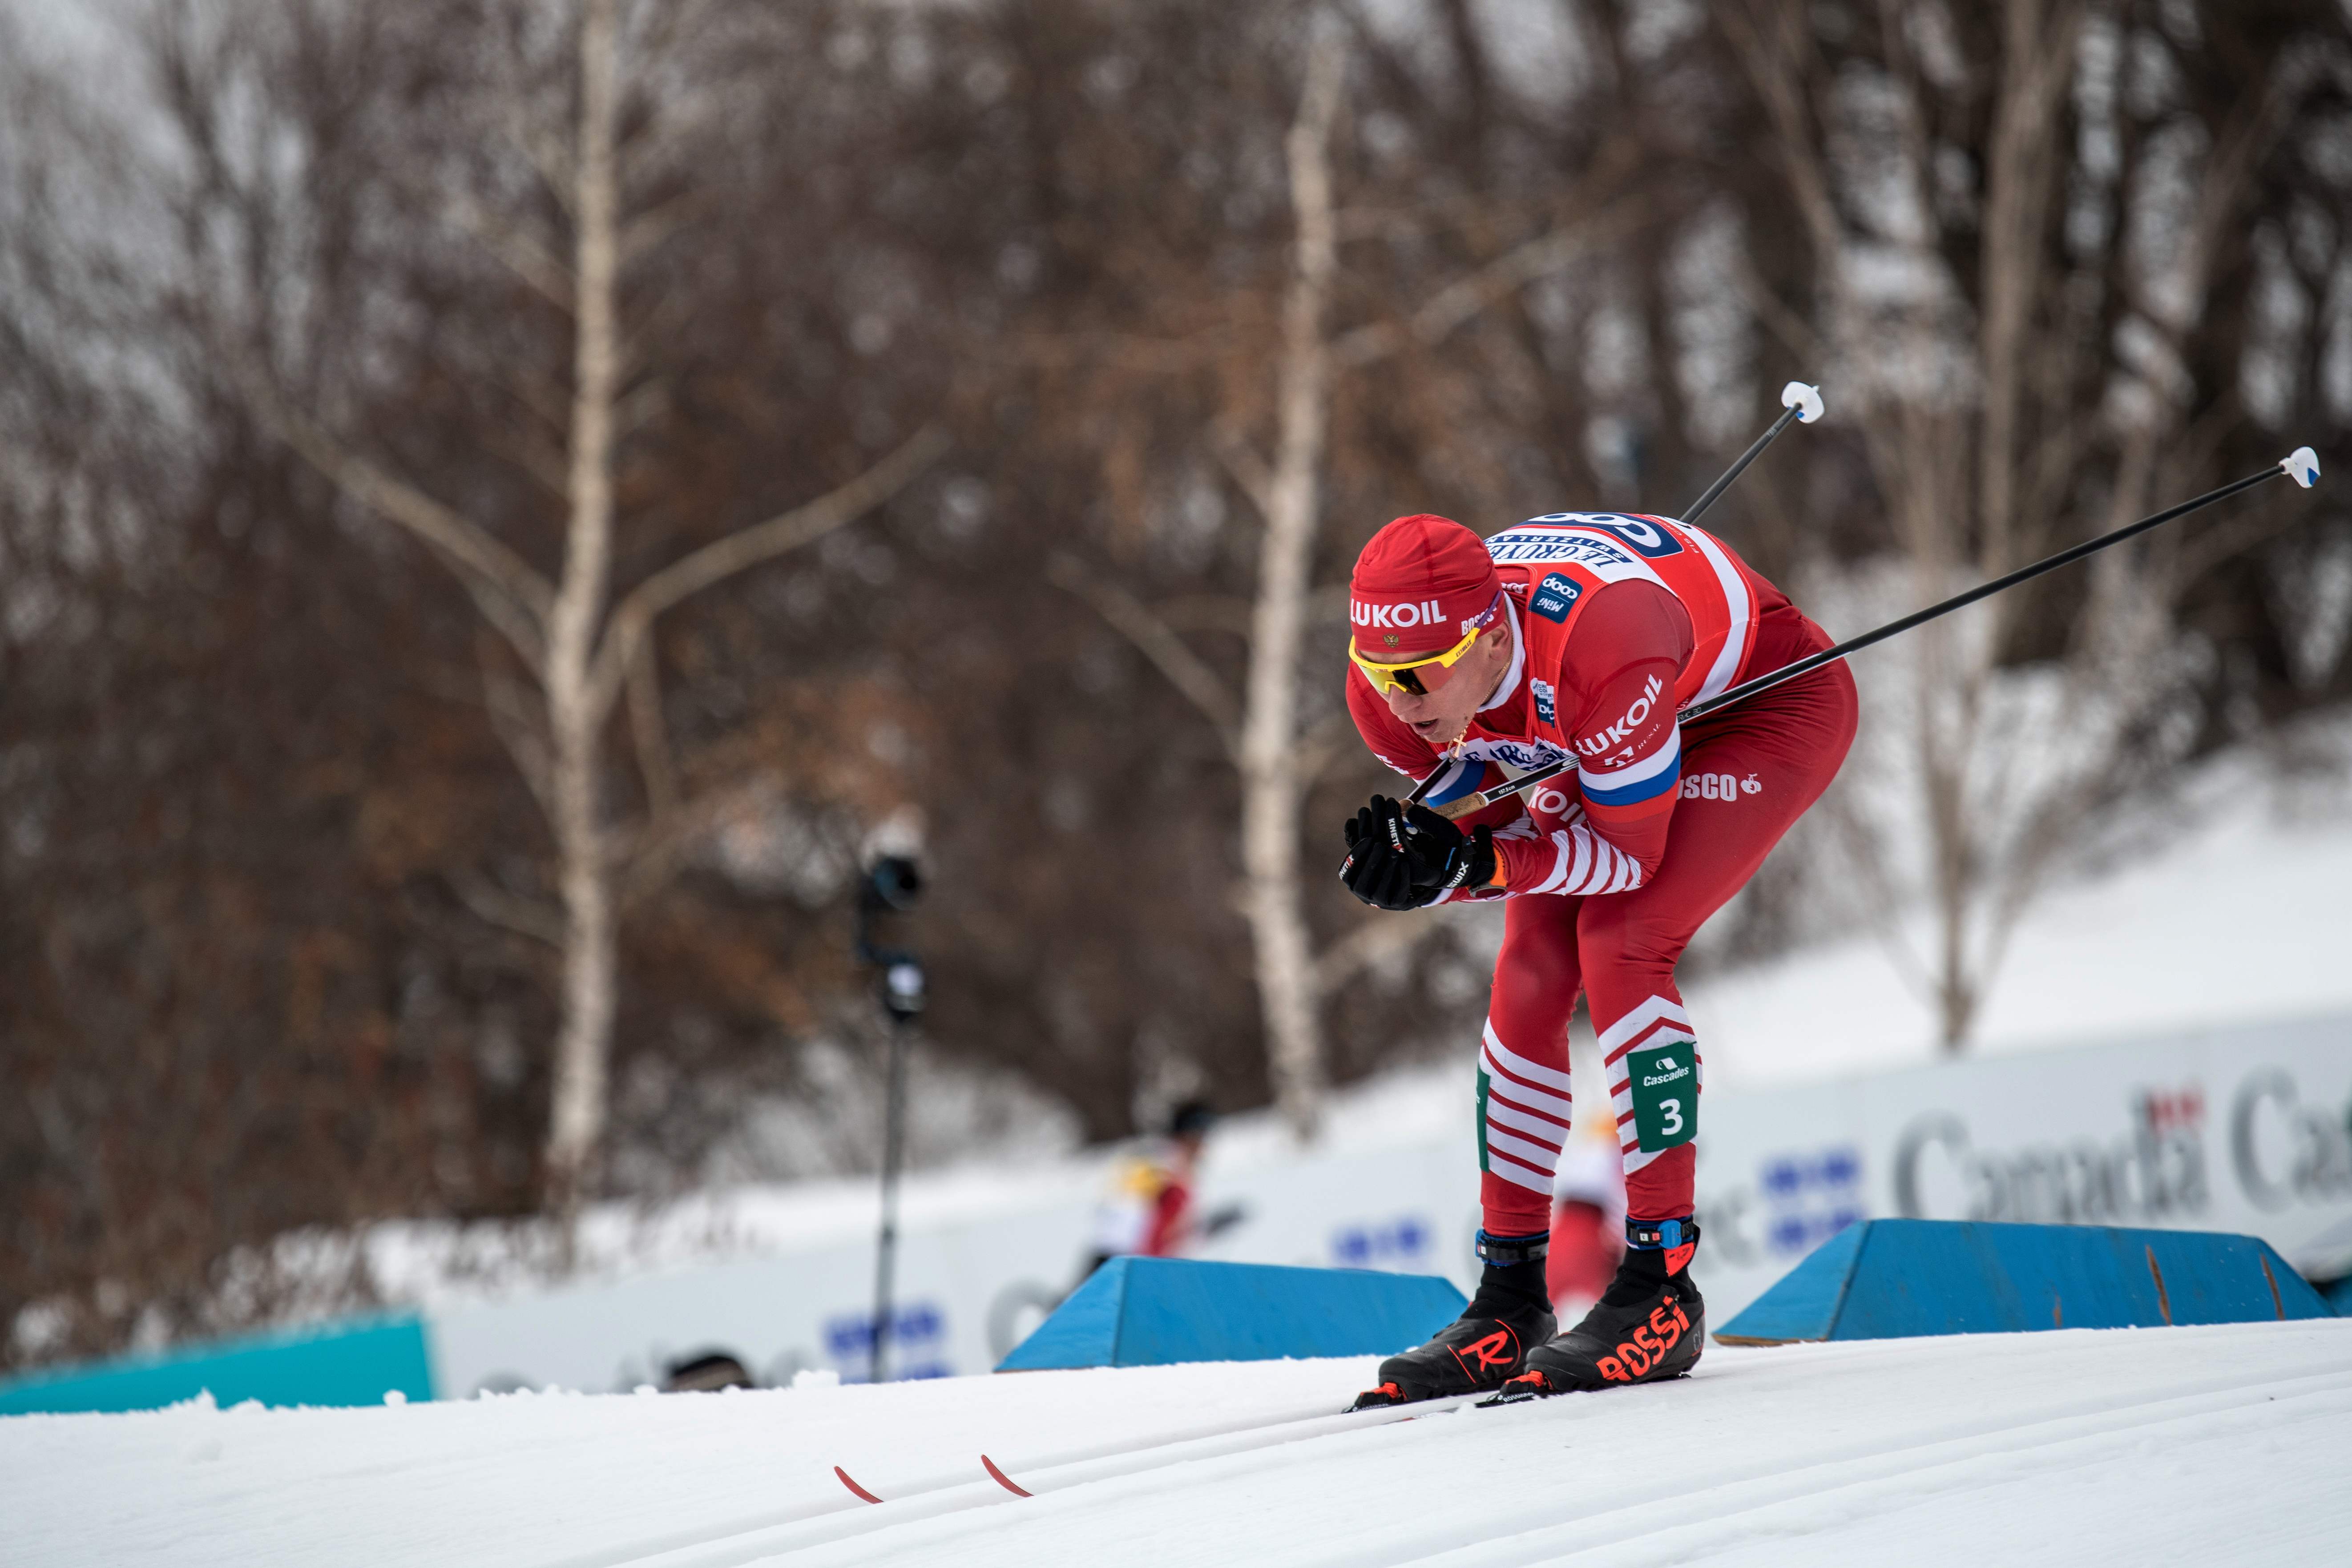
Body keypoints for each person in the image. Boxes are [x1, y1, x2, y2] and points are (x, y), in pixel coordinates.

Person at [1339, 510, 1856, 1406]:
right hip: (1600, 725)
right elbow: (1492, 822)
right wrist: (1426, 864)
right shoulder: (1389, 690)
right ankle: (1508, 1298)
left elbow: (1627, 858)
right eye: (1380, 672)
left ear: (1491, 635)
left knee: (1620, 940)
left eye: (1419, 673)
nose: (1400, 698)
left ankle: (1662, 1288)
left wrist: (1466, 861)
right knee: (1531, 967)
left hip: (1760, 705)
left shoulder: (1596, 644)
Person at [1084, 1100, 1220, 1273]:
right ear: (1186, 1135)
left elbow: (1175, 1232)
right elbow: (1124, 1212)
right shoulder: (1158, 1164)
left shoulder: (1181, 1172)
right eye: (1200, 1136)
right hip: (1124, 1265)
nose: (1204, 1145)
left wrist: (1207, 1229)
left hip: (1147, 1266)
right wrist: (1126, 1263)